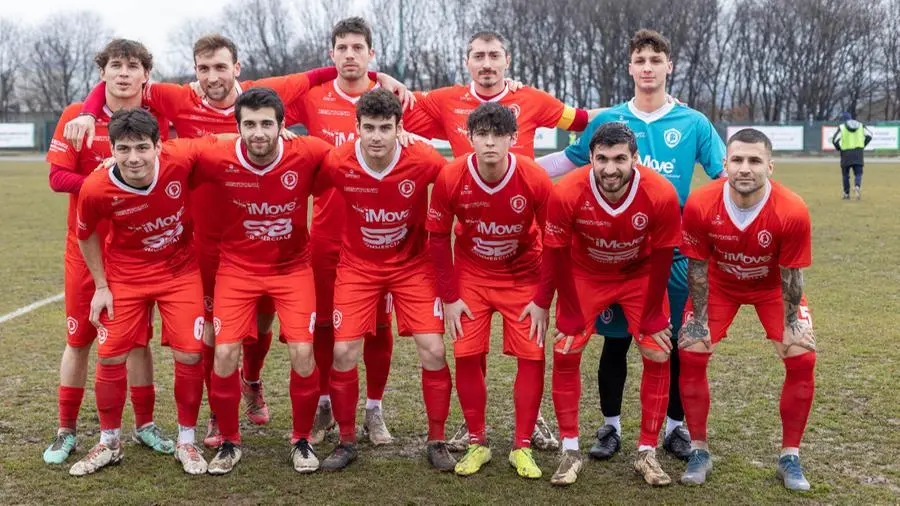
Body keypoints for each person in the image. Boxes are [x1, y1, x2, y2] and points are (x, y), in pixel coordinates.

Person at [64, 33, 411, 447]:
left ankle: (253, 380)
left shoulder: (266, 96)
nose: (213, 76)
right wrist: (88, 111)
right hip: (204, 240)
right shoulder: (176, 98)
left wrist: (379, 76)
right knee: (213, 331)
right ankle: (215, 414)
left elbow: (320, 73)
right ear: (195, 73)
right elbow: (120, 80)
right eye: (204, 69)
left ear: (238, 68)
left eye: (220, 67)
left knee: (263, 318)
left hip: (265, 240)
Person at [403, 29, 602, 451]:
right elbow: (393, 114)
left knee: (531, 351)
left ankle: (529, 427)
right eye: (479, 56)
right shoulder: (444, 101)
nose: (487, 63)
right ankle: (474, 430)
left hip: (521, 247)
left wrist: (566, 159)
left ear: (507, 60)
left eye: (494, 55)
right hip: (472, 245)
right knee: (468, 350)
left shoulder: (534, 100)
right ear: (467, 62)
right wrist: (388, 91)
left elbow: (583, 122)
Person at [537, 29, 726, 461]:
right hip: (612, 254)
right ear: (630, 67)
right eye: (639, 59)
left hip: (670, 253)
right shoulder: (609, 122)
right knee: (615, 341)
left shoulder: (693, 122)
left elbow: (721, 178)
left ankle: (675, 428)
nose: (647, 68)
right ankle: (611, 427)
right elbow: (569, 161)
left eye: (655, 60)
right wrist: (518, 166)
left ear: (668, 67)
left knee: (673, 340)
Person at [188, 88, 332, 475]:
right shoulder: (216, 154)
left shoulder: (309, 151)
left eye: (267, 123)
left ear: (283, 126)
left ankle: (301, 439)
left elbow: (358, 156)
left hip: (292, 268)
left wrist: (403, 137)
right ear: (236, 128)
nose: (258, 133)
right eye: (249, 124)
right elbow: (164, 156)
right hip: (236, 269)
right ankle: (231, 443)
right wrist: (108, 164)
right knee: (223, 353)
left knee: (303, 353)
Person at [43, 38, 174, 466]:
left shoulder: (157, 120)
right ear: (103, 73)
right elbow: (58, 178)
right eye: (115, 65)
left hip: (138, 251)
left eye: (132, 65)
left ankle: (146, 425)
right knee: (78, 339)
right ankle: (66, 431)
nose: (123, 73)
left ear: (145, 75)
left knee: (137, 341)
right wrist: (106, 188)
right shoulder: (76, 118)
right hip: (86, 248)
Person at [313, 89, 455, 472]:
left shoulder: (423, 158)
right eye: (369, 128)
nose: (376, 136)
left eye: (385, 128)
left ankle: (437, 439)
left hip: (412, 265)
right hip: (357, 266)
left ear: (399, 128)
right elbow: (299, 179)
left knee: (434, 350)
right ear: (356, 128)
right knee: (343, 352)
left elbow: (458, 186)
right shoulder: (339, 161)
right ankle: (345, 440)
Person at [541, 122, 681, 486]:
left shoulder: (660, 192)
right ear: (590, 157)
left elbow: (665, 254)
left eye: (620, 158)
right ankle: (570, 449)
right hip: (586, 274)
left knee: (658, 350)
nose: (610, 168)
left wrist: (652, 314)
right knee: (566, 348)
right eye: (601, 158)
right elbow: (555, 252)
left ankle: (647, 451)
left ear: (635, 158)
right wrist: (569, 309)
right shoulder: (568, 192)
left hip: (640, 275)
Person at [678, 128, 816, 492]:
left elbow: (791, 274)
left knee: (801, 355)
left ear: (770, 166)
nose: (745, 168)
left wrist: (791, 323)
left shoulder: (792, 209)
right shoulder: (701, 203)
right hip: (720, 284)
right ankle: (699, 450)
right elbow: (697, 268)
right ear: (724, 164)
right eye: (737, 160)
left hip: (771, 287)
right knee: (691, 350)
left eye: (754, 161)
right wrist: (700, 322)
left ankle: (790, 456)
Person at [70, 109, 206, 476]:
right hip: (126, 276)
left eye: (143, 148)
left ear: (159, 146)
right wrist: (101, 286)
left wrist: (280, 134)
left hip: (179, 272)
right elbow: (85, 235)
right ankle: (109, 442)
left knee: (191, 354)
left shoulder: (180, 158)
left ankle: (187, 440)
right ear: (110, 150)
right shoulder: (96, 187)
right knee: (111, 356)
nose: (134, 158)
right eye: (124, 149)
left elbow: (224, 141)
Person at [284, 17, 396, 445]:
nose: (350, 54)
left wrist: (390, 83)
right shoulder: (313, 98)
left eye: (357, 47)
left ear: (371, 53)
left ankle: (375, 409)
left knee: (379, 328)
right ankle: (328, 403)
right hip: (328, 233)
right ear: (331, 54)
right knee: (327, 325)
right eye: (342, 48)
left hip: (379, 235)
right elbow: (262, 102)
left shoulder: (390, 98)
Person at [426, 103, 552, 479]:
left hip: (523, 275)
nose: (490, 143)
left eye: (499, 135)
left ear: (514, 139)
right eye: (482, 134)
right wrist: (449, 297)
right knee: (467, 353)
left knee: (532, 356)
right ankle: (478, 442)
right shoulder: (451, 177)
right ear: (470, 138)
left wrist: (543, 300)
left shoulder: (534, 177)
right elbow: (436, 239)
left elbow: (556, 242)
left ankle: (522, 447)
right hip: (472, 277)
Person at [831, 112, 872, 200]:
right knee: (858, 173)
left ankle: (846, 194)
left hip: (846, 153)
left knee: (845, 175)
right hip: (858, 152)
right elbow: (870, 135)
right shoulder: (860, 125)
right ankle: (857, 186)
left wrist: (839, 148)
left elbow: (834, 140)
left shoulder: (842, 127)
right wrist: (863, 144)